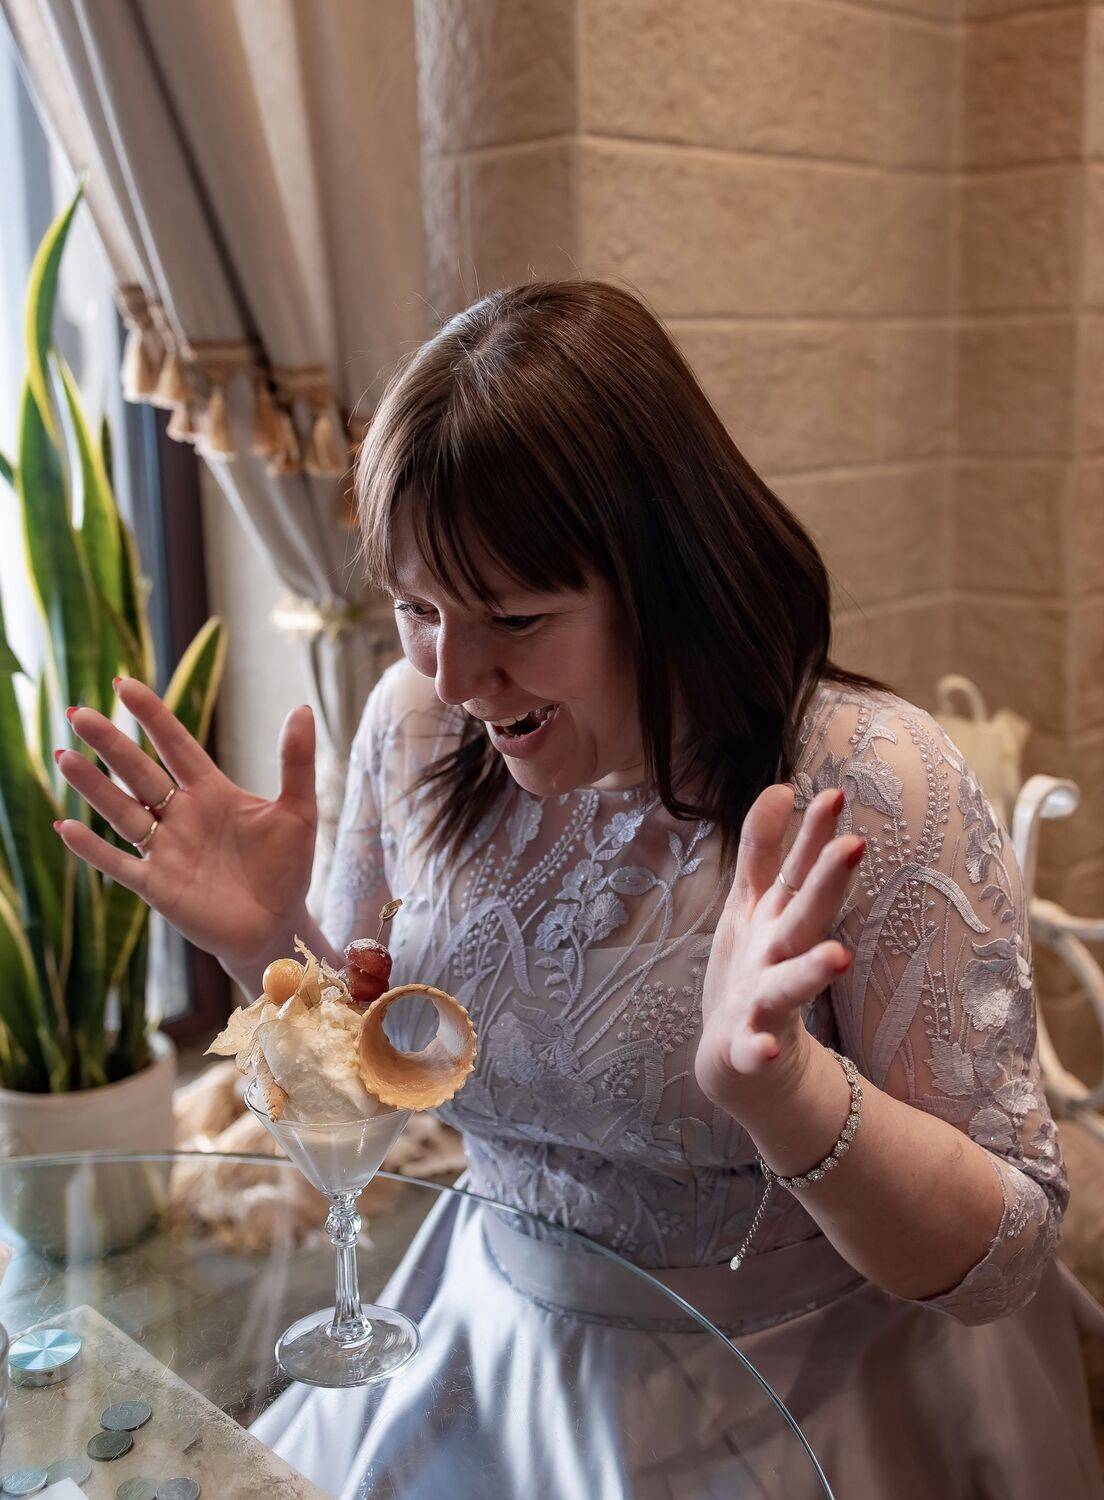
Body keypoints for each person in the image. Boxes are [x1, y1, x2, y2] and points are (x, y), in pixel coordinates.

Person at [55, 279, 1103, 1498]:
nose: (455, 675)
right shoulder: (414, 727)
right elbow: (372, 1092)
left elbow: (1005, 1259)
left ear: (667, 579)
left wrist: (791, 1095)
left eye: (513, 616)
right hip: (490, 1356)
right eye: (415, 607)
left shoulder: (875, 779)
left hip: (809, 1402)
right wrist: (266, 951)